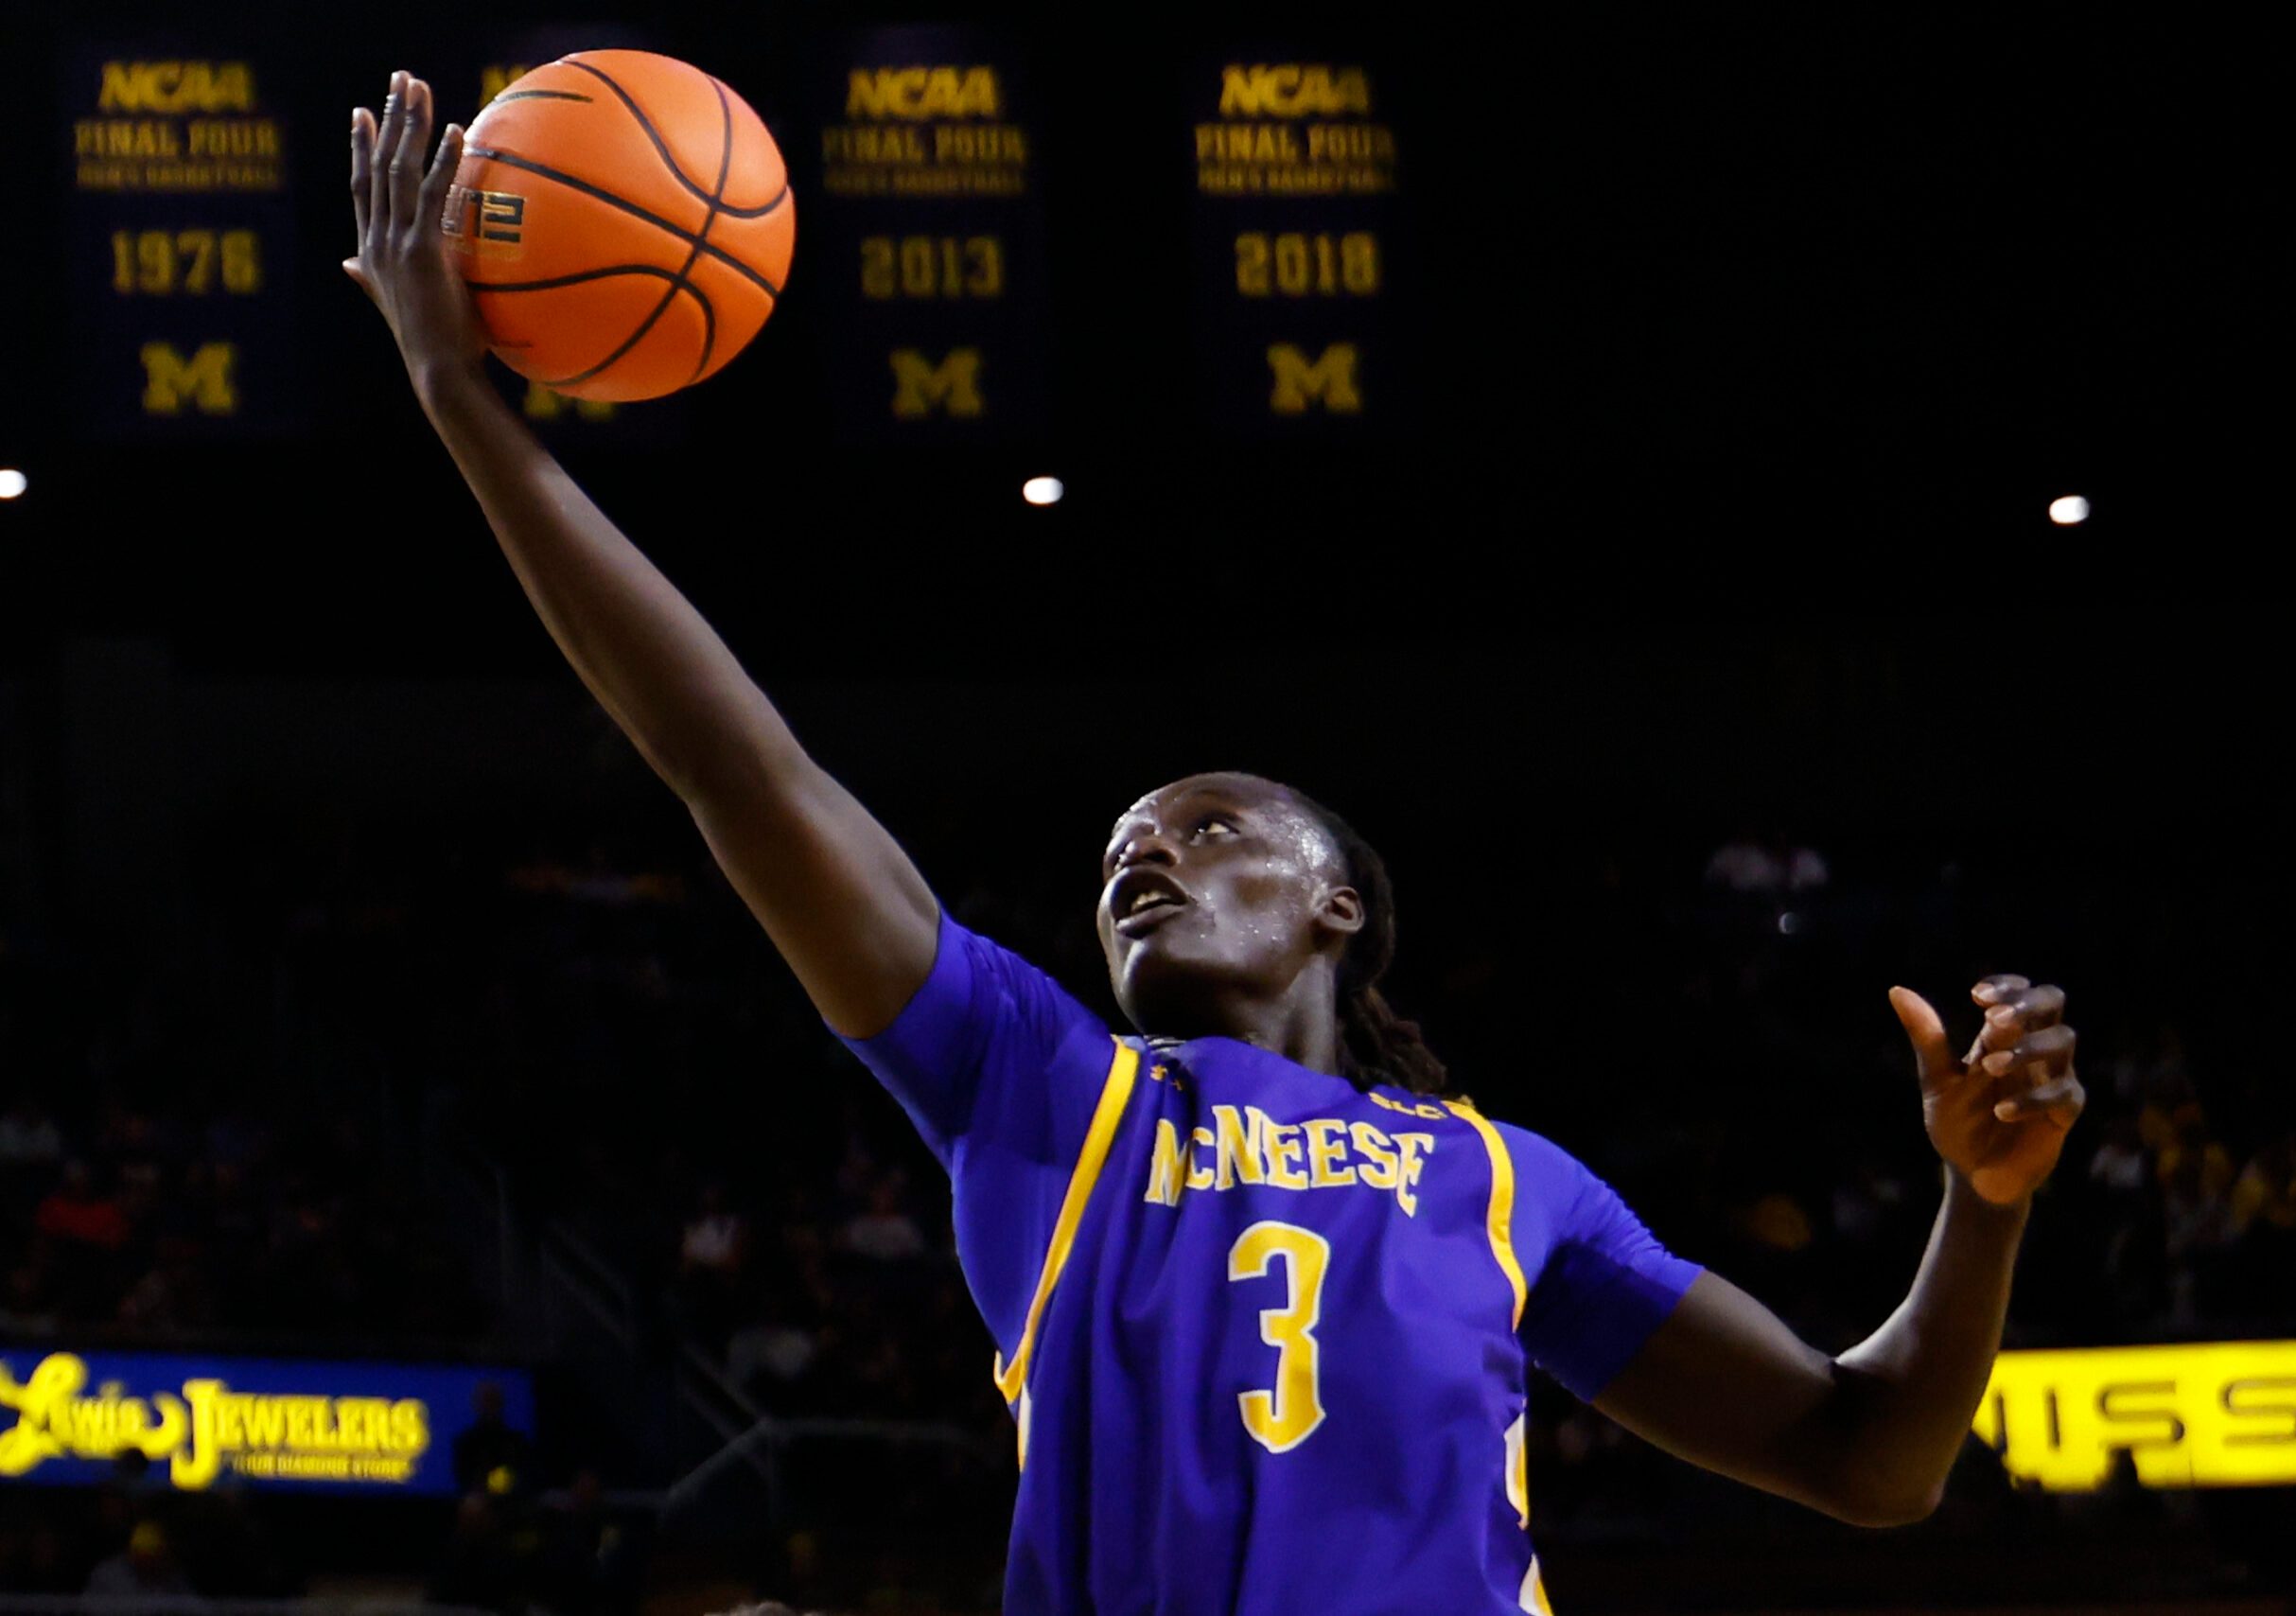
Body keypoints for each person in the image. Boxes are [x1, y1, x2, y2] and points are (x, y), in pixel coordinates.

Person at [346, 72, 2091, 1616]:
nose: (1142, 860)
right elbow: (741, 772)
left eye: (1204, 825)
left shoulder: (1504, 1182)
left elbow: (1871, 1460)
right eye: (1121, 847)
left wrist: (1983, 1203)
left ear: (1335, 901)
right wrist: (461, 405)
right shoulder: (1039, 1085)